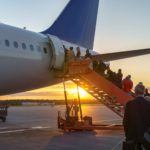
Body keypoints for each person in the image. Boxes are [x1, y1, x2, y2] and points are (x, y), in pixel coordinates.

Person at [123, 84, 150, 150]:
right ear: (144, 92)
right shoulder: (148, 104)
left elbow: (125, 122)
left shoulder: (129, 104)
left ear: (135, 92)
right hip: (145, 138)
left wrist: (128, 135)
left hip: (132, 137)